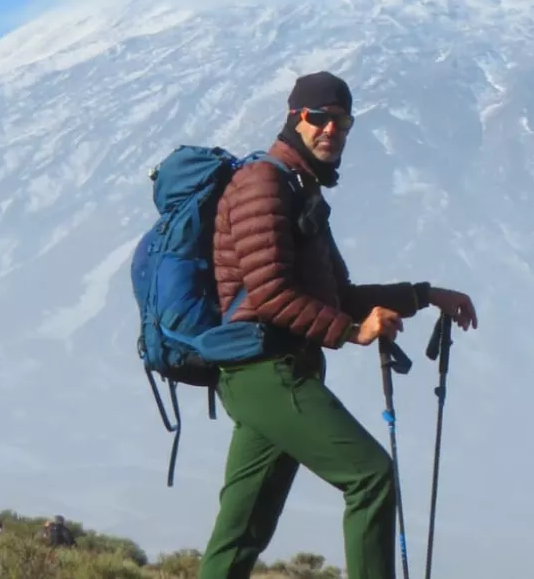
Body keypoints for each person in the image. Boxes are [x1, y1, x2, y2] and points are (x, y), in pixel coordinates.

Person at [198, 71, 478, 579]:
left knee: (242, 530)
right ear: (294, 118)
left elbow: (341, 296)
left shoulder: (298, 188)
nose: (332, 130)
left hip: (269, 372)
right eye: (319, 118)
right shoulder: (262, 183)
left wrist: (425, 295)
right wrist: (352, 332)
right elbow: (269, 294)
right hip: (268, 369)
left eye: (343, 122)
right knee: (371, 478)